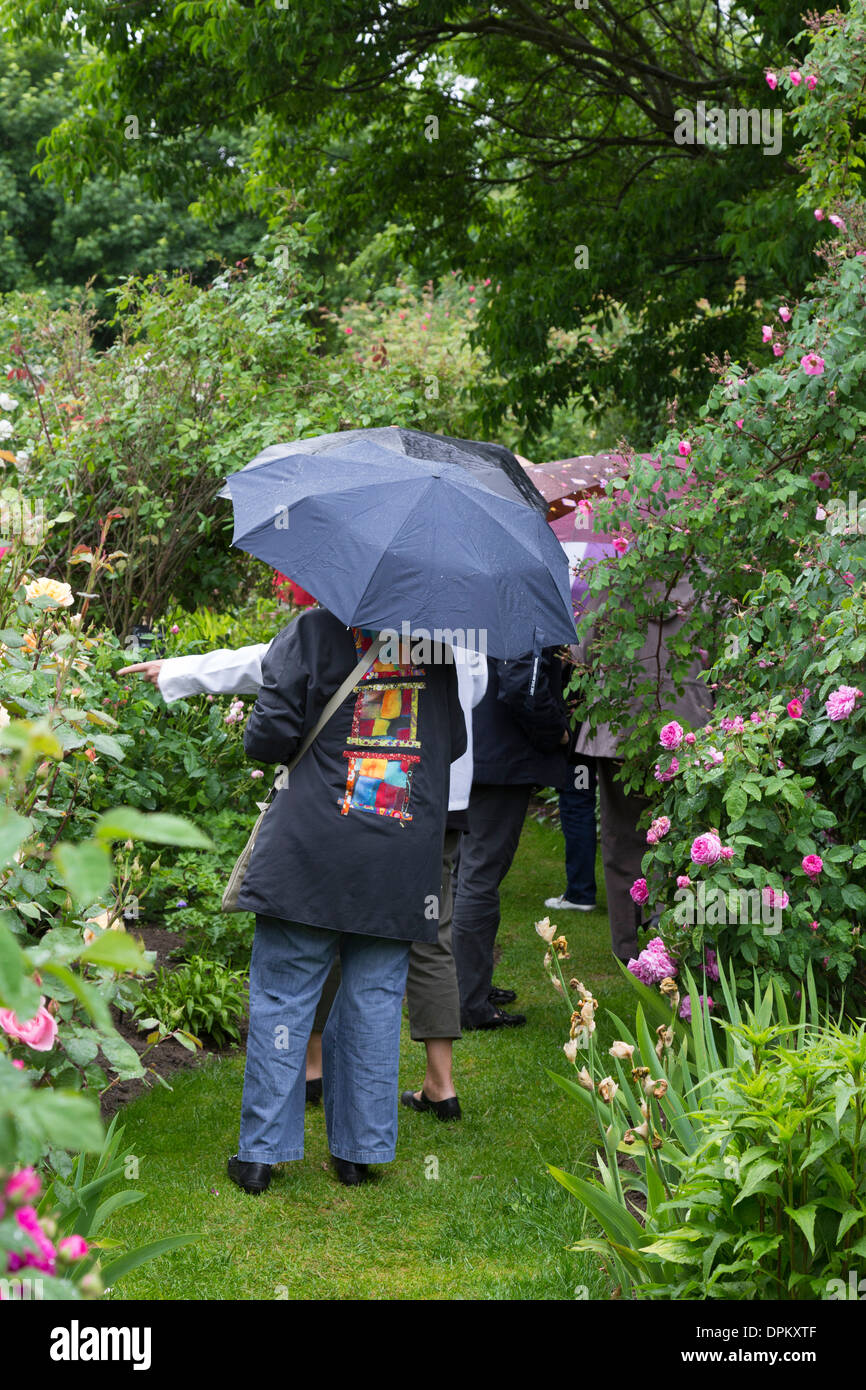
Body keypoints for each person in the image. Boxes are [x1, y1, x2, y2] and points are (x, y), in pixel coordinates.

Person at [120, 619, 486, 1125]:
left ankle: (307, 1078)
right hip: (428, 805)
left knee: (314, 939)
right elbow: (468, 708)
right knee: (423, 942)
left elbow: (276, 671)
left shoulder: (330, 625)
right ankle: (433, 1088)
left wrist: (184, 672)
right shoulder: (454, 626)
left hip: (341, 810)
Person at [572, 573, 712, 962]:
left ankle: (630, 951)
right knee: (683, 842)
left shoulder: (614, 583)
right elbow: (726, 662)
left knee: (622, 843)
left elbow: (579, 654)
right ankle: (675, 945)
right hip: (688, 729)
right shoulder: (707, 588)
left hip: (619, 726)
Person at [451, 647, 569, 1031]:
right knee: (478, 877)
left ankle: (462, 986)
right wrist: (556, 731)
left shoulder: (467, 587)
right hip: (496, 757)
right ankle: (468, 1001)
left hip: (467, 746)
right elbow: (522, 681)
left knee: (464, 873)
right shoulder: (520, 595)